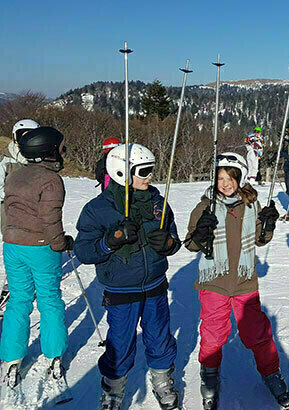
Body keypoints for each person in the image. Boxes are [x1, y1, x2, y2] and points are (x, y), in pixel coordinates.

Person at [74, 143, 181, 410]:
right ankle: (113, 390)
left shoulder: (158, 202)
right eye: (143, 171)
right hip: (121, 290)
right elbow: (84, 251)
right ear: (123, 172)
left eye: (151, 170)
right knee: (120, 343)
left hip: (155, 285)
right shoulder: (98, 208)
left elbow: (175, 238)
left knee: (159, 337)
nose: (150, 177)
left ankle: (162, 380)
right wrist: (109, 241)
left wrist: (168, 244)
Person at [183, 152, 289, 410]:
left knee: (257, 333)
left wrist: (268, 226)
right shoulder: (204, 206)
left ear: (240, 178)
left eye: (230, 177)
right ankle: (209, 376)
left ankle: (271, 373)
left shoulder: (252, 205)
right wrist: (200, 233)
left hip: (244, 282)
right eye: (220, 178)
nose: (225, 183)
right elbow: (190, 244)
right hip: (214, 282)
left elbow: (259, 240)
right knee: (212, 335)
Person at [0, 126, 72, 387]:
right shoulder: (51, 180)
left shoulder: (15, 175)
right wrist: (60, 243)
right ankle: (53, 353)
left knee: (19, 299)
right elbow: (50, 218)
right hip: (40, 246)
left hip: (12, 244)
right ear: (49, 150)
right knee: (49, 299)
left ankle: (11, 356)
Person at [0, 119, 39, 312]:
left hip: (36, 210)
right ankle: (12, 282)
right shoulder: (7, 160)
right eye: (23, 136)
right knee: (15, 245)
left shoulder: (39, 159)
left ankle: (34, 277)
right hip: (11, 211)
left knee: (36, 242)